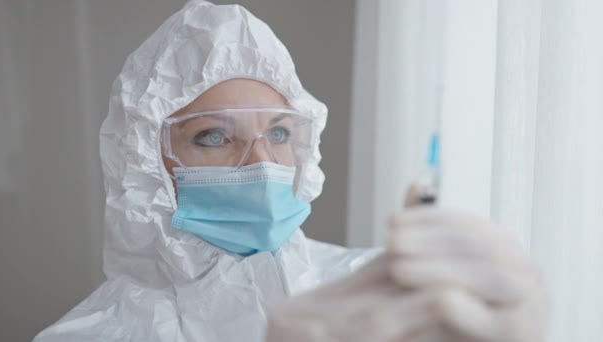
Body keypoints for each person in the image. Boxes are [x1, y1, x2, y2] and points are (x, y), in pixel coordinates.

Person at [34, 1, 547, 341]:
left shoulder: (372, 295)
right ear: (144, 163)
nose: (261, 163)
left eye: (279, 133)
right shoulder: (90, 334)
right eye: (213, 136)